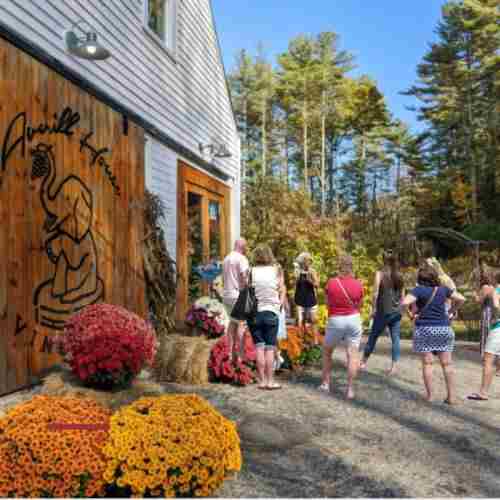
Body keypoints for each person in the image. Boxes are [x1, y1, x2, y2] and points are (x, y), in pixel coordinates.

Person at [401, 266, 465, 405]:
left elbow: (404, 303)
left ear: (420, 278)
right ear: (435, 277)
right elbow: (461, 298)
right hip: (443, 329)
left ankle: (430, 397)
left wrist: (411, 314)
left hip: (424, 329)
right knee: (447, 364)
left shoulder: (418, 290)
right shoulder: (443, 290)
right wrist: (451, 311)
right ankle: (452, 397)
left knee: (428, 363)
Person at [320, 255, 364, 400]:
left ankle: (326, 384)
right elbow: (360, 305)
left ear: (339, 266)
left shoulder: (331, 283)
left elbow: (327, 304)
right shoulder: (358, 284)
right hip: (353, 319)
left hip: (336, 320)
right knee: (352, 354)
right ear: (352, 267)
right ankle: (350, 389)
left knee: (327, 351)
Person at [247, 245, 287, 390]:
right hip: (271, 312)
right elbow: (282, 289)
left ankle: (262, 381)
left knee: (259, 347)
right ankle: (271, 381)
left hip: (254, 313)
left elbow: (246, 289)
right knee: (270, 348)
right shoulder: (277, 269)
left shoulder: (251, 271)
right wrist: (279, 307)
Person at [360, 251, 404, 375]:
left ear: (383, 260)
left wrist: (373, 309)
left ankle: (363, 362)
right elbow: (402, 296)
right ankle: (394, 367)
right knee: (395, 339)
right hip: (396, 312)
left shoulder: (379, 274)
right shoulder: (400, 275)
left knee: (373, 337)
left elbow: (375, 294)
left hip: (383, 311)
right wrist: (401, 309)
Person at [467, 272, 500, 400]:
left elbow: (496, 306)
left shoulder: (495, 290)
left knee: (488, 360)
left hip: (497, 327)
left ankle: (483, 392)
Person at [222, 239, 249, 362]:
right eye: (246, 247)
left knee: (232, 323)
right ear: (243, 247)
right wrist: (248, 290)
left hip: (226, 294)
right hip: (237, 294)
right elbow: (244, 277)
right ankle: (241, 354)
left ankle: (230, 353)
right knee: (241, 323)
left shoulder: (226, 258)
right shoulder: (241, 259)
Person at [294, 252, 320, 345]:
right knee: (301, 320)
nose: (308, 263)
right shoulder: (297, 272)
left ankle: (315, 341)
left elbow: (317, 285)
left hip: (311, 299)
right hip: (300, 299)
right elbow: (295, 284)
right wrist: (296, 278)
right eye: (306, 261)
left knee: (314, 320)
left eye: (309, 261)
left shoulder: (312, 271)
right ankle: (302, 341)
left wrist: (311, 281)